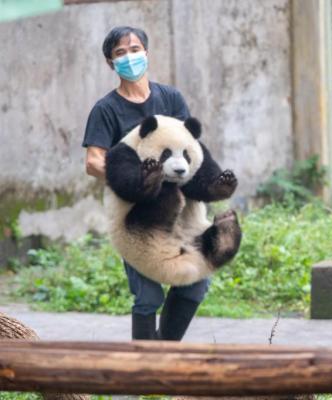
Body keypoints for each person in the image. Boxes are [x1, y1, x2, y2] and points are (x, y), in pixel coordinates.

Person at [82, 26, 209, 341]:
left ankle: (162, 355)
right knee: (149, 297)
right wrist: (137, 177)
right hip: (134, 215)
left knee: (196, 284)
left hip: (179, 213)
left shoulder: (170, 98)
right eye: (120, 53)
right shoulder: (106, 109)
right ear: (111, 63)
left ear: (147, 53)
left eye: (135, 49)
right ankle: (143, 367)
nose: (130, 57)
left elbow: (190, 147)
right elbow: (93, 161)